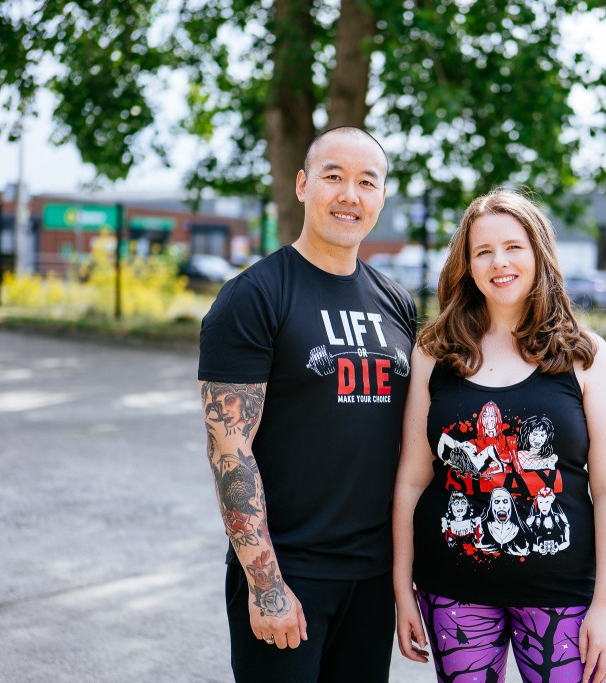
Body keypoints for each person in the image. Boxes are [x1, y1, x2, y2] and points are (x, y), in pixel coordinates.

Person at [198, 126, 417, 683]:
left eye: (367, 182)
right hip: (289, 573)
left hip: (370, 579)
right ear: (302, 185)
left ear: (382, 198)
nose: (350, 194)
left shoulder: (396, 302)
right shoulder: (254, 296)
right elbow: (230, 451)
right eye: (334, 177)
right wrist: (266, 585)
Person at [393, 188, 606, 683]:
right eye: (483, 251)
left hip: (562, 595)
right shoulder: (434, 352)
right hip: (453, 591)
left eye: (513, 247)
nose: (498, 262)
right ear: (467, 264)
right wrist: (402, 588)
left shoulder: (585, 355)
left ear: (538, 253)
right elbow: (412, 480)